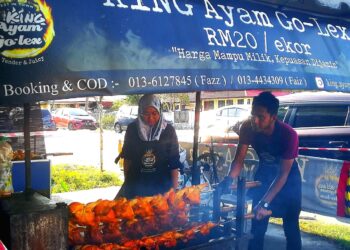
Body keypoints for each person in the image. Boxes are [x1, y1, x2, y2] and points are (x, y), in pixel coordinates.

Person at [220, 91, 302, 250]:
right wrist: (228, 180)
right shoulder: (247, 127)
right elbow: (238, 160)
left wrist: (264, 202)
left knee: (291, 228)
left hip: (288, 180)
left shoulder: (289, 135)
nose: (255, 121)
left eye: (261, 117)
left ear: (273, 116)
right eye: (253, 115)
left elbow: (282, 175)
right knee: (256, 229)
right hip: (264, 175)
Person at [115, 94, 181, 199]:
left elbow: (174, 163)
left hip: (161, 189)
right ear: (140, 112)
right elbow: (127, 159)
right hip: (136, 187)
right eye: (146, 113)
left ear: (160, 112)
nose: (151, 117)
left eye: (155, 113)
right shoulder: (132, 129)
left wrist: (174, 190)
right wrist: (127, 183)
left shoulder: (168, 131)